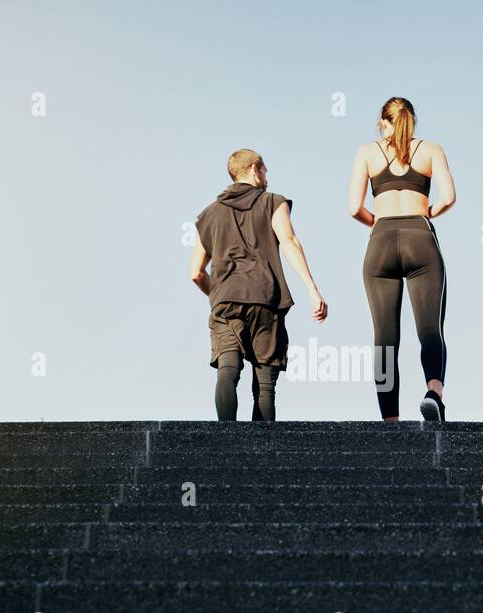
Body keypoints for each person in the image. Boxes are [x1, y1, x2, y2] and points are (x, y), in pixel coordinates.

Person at [190, 149, 327, 421]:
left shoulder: (209, 214)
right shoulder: (273, 202)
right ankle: (262, 452)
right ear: (255, 169)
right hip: (267, 299)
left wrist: (216, 294)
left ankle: (226, 439)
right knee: (265, 385)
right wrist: (312, 288)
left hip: (226, 300)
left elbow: (195, 273)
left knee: (228, 368)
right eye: (265, 170)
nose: (267, 176)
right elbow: (289, 242)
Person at [347, 97, 456, 422]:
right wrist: (423, 215)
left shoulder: (366, 152)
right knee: (430, 328)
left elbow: (353, 207)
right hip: (419, 237)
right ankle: (433, 393)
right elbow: (449, 197)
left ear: (383, 122)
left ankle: (389, 421)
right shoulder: (431, 149)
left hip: (380, 242)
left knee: (384, 338)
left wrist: (379, 222)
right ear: (412, 120)